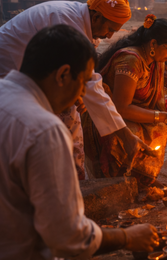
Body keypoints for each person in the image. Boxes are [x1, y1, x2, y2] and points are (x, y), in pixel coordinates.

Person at [0, 25, 158, 259]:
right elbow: (68, 237)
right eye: (83, 83)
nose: (82, 94)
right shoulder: (44, 130)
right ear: (63, 74)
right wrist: (128, 237)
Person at [0, 0, 150, 179]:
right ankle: (71, 180)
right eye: (110, 29)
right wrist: (125, 136)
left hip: (33, 73)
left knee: (72, 113)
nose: (110, 36)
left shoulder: (82, 21)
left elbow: (87, 82)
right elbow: (90, 83)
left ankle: (76, 178)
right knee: (64, 122)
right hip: (9, 70)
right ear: (96, 17)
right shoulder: (68, 21)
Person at [83, 16, 167, 186]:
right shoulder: (131, 60)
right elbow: (121, 108)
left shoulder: (156, 60)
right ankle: (119, 181)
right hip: (106, 117)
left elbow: (156, 101)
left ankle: (144, 178)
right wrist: (163, 116)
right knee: (135, 131)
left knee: (160, 127)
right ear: (153, 44)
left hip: (129, 111)